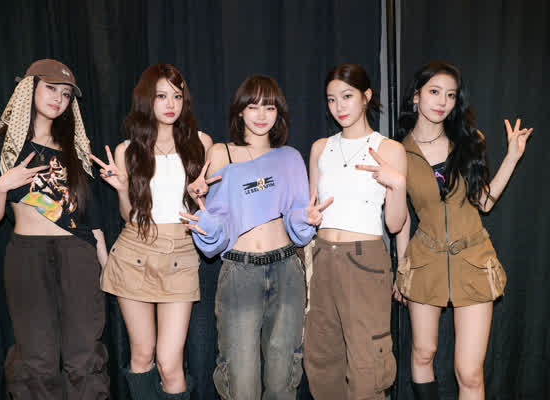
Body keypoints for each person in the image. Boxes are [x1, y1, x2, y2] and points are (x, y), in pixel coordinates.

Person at [181, 75, 331, 400]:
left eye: (270, 107)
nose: (261, 115)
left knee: (282, 379)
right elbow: (216, 230)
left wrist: (307, 218)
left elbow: (297, 219)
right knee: (241, 380)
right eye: (253, 106)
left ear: (279, 113)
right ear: (240, 111)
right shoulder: (221, 154)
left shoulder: (290, 157)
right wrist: (201, 211)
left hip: (286, 270)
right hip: (240, 272)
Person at [394, 61, 532, 400]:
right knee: (423, 353)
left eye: (451, 95)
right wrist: (402, 269)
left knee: (469, 372)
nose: (442, 101)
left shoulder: (470, 141)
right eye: (434, 92)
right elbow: (401, 220)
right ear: (416, 96)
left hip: (473, 260)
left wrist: (512, 157)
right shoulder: (398, 151)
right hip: (424, 261)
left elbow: (484, 202)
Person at [0, 59, 109, 399]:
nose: (58, 99)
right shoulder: (0, 148)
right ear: (29, 89)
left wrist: (107, 264)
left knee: (84, 356)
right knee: (36, 359)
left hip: (78, 253)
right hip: (28, 255)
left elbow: (91, 216)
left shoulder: (74, 149)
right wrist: (2, 186)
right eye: (51, 88)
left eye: (65, 94)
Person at [92, 64, 214, 400]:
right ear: (147, 99)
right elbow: (129, 215)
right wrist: (121, 189)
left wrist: (201, 197)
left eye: (177, 96)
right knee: (142, 355)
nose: (171, 104)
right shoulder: (127, 150)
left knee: (169, 362)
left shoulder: (201, 143)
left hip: (180, 254)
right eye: (161, 96)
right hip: (135, 252)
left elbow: (209, 211)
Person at [303, 63, 407, 400]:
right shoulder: (320, 148)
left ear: (366, 96)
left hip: (365, 260)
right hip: (322, 257)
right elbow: (312, 208)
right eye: (331, 99)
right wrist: (309, 217)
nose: (339, 107)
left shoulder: (389, 149)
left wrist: (398, 184)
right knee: (321, 358)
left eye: (347, 96)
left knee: (368, 363)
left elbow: (394, 224)